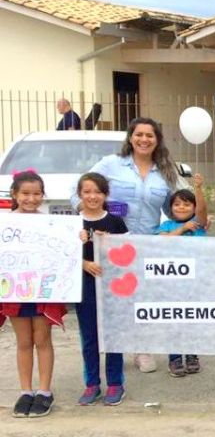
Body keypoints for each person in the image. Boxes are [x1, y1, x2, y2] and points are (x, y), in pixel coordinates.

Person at [77, 117, 190, 374]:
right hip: (110, 244)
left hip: (146, 242)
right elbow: (82, 191)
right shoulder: (111, 164)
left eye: (150, 135)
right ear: (130, 137)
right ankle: (107, 346)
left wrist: (191, 221)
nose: (144, 140)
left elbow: (178, 206)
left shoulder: (166, 171)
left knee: (141, 297)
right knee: (111, 298)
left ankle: (141, 347)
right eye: (139, 134)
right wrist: (86, 217)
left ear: (157, 140)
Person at [3, 171, 66, 418]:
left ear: (43, 195)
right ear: (15, 195)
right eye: (26, 194)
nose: (31, 199)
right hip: (16, 292)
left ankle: (45, 391)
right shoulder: (5, 224)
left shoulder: (51, 224)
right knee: (24, 342)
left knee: (42, 340)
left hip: (43, 291)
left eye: (37, 194)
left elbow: (63, 250)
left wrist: (77, 238)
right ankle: (26, 390)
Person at [75, 173, 128, 405]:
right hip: (84, 288)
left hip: (112, 287)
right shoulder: (73, 223)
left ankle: (115, 383)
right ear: (79, 194)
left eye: (97, 191)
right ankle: (92, 384)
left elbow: (128, 256)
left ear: (105, 194)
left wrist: (108, 245)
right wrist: (83, 263)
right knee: (89, 337)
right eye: (87, 191)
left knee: (113, 334)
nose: (92, 196)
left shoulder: (115, 222)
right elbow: (62, 256)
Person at [159, 185, 208, 378]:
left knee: (193, 318)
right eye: (177, 204)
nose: (181, 207)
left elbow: (203, 211)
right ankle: (175, 358)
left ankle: (192, 355)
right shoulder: (165, 226)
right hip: (173, 282)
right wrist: (183, 229)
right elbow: (162, 241)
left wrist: (198, 188)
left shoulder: (200, 223)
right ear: (170, 208)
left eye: (187, 204)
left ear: (194, 208)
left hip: (195, 281)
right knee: (174, 319)